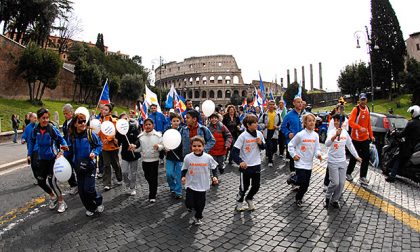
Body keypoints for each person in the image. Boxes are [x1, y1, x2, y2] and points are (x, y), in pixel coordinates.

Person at [28, 108, 69, 213]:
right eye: (43, 118)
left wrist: (63, 146)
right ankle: (52, 196)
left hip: (53, 159)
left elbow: (60, 138)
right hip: (42, 159)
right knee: (41, 181)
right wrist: (29, 153)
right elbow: (31, 141)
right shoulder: (35, 130)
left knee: (52, 182)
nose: (45, 120)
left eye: (47, 118)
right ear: (38, 119)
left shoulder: (51, 129)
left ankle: (61, 202)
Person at [68, 112, 104, 216]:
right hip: (78, 167)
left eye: (84, 121)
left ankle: (98, 201)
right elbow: (68, 151)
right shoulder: (72, 136)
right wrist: (61, 154)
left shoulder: (90, 134)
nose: (83, 124)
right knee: (82, 191)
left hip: (90, 166)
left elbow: (99, 145)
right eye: (80, 122)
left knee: (89, 189)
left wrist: (95, 153)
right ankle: (90, 207)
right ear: (75, 124)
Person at [325, 114, 361, 209]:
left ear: (343, 122)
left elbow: (350, 145)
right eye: (335, 120)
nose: (337, 122)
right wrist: (335, 135)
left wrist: (356, 156)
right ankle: (328, 197)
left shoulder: (345, 133)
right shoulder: (331, 131)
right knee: (335, 182)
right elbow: (327, 144)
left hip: (342, 161)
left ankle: (335, 200)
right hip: (332, 160)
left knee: (341, 183)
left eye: (338, 120)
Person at [231, 114, 266, 211]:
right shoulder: (243, 136)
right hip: (245, 167)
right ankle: (239, 202)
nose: (256, 124)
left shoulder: (259, 134)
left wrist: (261, 143)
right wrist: (240, 162)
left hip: (256, 165)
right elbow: (234, 152)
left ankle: (249, 198)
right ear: (248, 125)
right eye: (254, 123)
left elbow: (264, 147)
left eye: (256, 122)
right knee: (244, 187)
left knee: (256, 186)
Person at [181, 136, 218, 225]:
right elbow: (184, 168)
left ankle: (198, 217)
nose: (197, 148)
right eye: (194, 146)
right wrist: (183, 176)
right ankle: (191, 207)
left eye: (199, 146)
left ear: (203, 146)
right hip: (191, 184)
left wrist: (215, 176)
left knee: (201, 204)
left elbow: (214, 167)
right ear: (191, 147)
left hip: (203, 185)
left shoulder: (208, 157)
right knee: (189, 203)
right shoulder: (188, 157)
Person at [287, 113, 322, 207]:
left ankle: (298, 198)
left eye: (313, 121)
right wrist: (294, 155)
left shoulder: (315, 135)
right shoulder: (300, 135)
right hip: (300, 163)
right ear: (305, 123)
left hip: (309, 164)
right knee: (301, 180)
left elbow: (317, 148)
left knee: (305, 185)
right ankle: (293, 178)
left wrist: (318, 155)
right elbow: (290, 145)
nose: (311, 122)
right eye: (309, 121)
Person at [386, 105, 420, 182]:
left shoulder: (411, 123)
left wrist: (395, 132)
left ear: (415, 113)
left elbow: (403, 133)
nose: (411, 113)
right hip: (415, 146)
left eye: (412, 112)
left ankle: (391, 177)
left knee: (398, 158)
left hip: (408, 146)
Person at [346, 93, 375, 186]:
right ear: (359, 100)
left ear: (366, 100)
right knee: (354, 156)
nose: (363, 101)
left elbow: (369, 124)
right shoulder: (356, 109)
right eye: (361, 99)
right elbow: (350, 122)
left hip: (365, 138)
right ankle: (348, 173)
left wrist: (371, 135)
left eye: (364, 99)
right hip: (356, 138)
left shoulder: (367, 109)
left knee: (366, 157)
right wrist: (359, 128)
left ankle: (362, 177)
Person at [138, 118, 164, 203]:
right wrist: (133, 148)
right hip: (145, 160)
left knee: (153, 178)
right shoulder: (141, 136)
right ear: (143, 126)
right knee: (147, 176)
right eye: (146, 125)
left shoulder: (158, 136)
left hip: (154, 160)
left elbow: (163, 145)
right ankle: (153, 186)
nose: (148, 126)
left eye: (149, 124)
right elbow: (140, 148)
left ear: (153, 125)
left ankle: (152, 194)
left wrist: (159, 147)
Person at [99, 104, 123, 191]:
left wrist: (108, 139)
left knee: (115, 164)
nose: (104, 111)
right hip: (104, 147)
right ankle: (107, 184)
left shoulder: (114, 121)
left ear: (110, 112)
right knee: (106, 165)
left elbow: (114, 132)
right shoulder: (99, 121)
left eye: (106, 110)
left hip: (113, 147)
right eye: (103, 109)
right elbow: (98, 133)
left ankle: (119, 178)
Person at [116, 113, 141, 196]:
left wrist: (134, 145)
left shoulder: (134, 127)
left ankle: (133, 188)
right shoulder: (119, 131)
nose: (125, 120)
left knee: (133, 173)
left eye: (126, 118)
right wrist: (115, 142)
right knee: (124, 172)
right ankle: (127, 185)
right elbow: (118, 143)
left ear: (129, 119)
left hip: (134, 154)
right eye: (122, 119)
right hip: (125, 155)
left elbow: (138, 139)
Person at [207, 113, 233, 183]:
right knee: (213, 165)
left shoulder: (222, 126)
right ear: (210, 119)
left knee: (221, 164)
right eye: (212, 118)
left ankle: (221, 168)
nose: (214, 119)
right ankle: (215, 178)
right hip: (212, 150)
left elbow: (229, 136)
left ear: (218, 119)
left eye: (215, 118)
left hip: (222, 149)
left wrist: (227, 144)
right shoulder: (207, 128)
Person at [281, 96, 303, 173]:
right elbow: (283, 127)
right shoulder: (289, 115)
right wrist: (288, 133)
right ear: (294, 103)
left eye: (301, 102)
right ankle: (293, 177)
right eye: (298, 102)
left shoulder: (303, 115)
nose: (300, 104)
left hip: (302, 143)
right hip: (292, 142)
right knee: (293, 161)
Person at [165, 113, 184, 199]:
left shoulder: (183, 130)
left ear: (180, 121)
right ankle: (172, 187)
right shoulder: (167, 131)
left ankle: (178, 191)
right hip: (170, 156)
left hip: (180, 156)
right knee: (169, 174)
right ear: (171, 122)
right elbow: (163, 141)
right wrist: (165, 147)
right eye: (174, 121)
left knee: (179, 174)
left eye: (177, 121)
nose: (176, 122)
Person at [259, 100, 282, 167]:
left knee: (274, 148)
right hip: (267, 132)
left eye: (273, 104)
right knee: (270, 146)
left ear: (274, 105)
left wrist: (277, 127)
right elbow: (259, 123)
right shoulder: (264, 114)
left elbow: (282, 123)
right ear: (268, 106)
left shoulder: (278, 114)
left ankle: (269, 154)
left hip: (274, 132)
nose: (271, 106)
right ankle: (270, 160)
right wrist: (264, 126)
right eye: (270, 104)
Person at [62, 104, 78, 195]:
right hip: (67, 149)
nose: (65, 115)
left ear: (71, 113)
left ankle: (80, 184)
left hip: (75, 148)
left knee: (77, 167)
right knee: (68, 168)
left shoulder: (75, 122)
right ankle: (74, 185)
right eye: (64, 114)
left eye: (66, 113)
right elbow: (65, 135)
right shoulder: (65, 123)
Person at [21, 112, 38, 185]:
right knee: (33, 166)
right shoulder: (27, 127)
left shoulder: (38, 126)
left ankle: (41, 177)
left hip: (38, 149)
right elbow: (24, 136)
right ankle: (38, 178)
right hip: (30, 149)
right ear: (30, 118)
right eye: (34, 118)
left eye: (36, 118)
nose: (36, 119)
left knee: (37, 164)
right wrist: (23, 140)